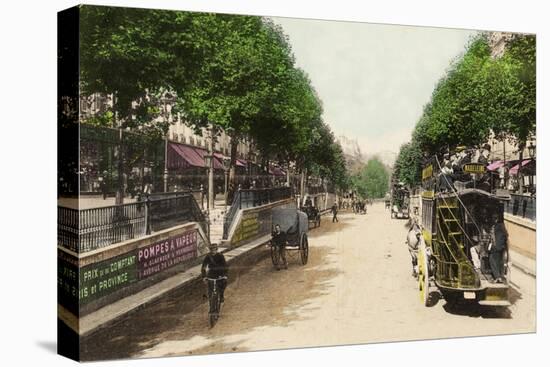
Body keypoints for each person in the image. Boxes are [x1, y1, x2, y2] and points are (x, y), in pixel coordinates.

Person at [489, 213, 508, 283]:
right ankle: (499, 276)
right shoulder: (500, 225)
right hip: (499, 247)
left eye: (494, 218)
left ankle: (497, 277)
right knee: (497, 262)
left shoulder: (498, 226)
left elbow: (505, 235)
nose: (493, 220)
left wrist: (498, 244)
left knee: (492, 260)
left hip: (497, 247)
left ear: (496, 219)